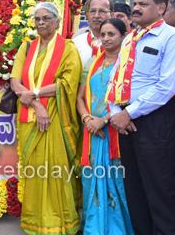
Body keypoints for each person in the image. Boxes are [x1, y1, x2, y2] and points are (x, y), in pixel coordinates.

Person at [108, 0, 175, 234]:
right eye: (136, 3)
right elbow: (115, 78)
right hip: (126, 121)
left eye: (143, 4)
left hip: (155, 120)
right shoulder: (131, 37)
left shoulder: (173, 37)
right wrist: (114, 113)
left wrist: (129, 113)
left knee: (162, 190)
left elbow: (167, 86)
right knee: (136, 189)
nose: (136, 8)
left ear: (161, 8)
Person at [10, 1, 82, 235]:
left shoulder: (68, 48)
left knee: (57, 169)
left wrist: (37, 94)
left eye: (46, 18)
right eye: (37, 19)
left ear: (57, 21)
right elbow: (15, 82)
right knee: (34, 170)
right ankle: (35, 222)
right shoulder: (26, 48)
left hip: (57, 118)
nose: (41, 23)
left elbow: (67, 84)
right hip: (31, 117)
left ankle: (61, 223)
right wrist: (37, 105)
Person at [76, 18, 133, 235]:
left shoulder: (129, 63)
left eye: (112, 34)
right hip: (91, 131)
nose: (106, 38)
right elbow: (80, 98)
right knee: (91, 179)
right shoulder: (91, 63)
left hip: (116, 132)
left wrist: (104, 120)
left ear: (123, 36)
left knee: (119, 181)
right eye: (103, 34)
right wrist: (87, 120)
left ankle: (120, 229)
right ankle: (94, 228)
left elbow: (129, 99)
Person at [72, 0, 114, 66]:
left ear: (112, 15)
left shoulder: (119, 43)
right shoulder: (76, 42)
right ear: (87, 14)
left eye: (102, 11)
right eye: (93, 11)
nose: (96, 16)